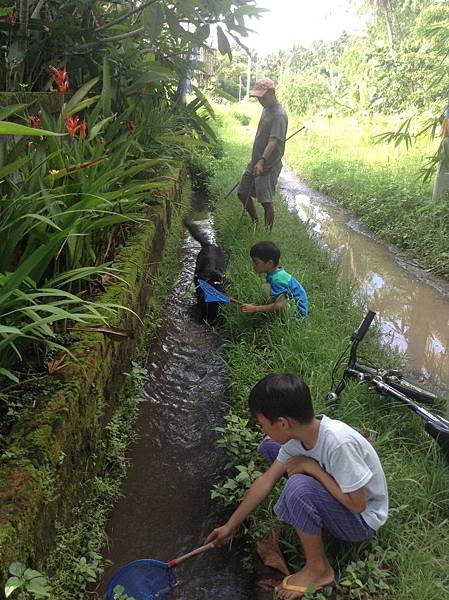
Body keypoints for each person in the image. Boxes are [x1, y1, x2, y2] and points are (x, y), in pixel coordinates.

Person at [205, 373, 388, 600]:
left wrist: (313, 470)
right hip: (343, 496)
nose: (263, 429)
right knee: (270, 447)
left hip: (361, 521)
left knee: (297, 487)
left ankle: (319, 570)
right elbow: (266, 481)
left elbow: (359, 504)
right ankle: (312, 511)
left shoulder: (338, 444)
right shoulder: (299, 435)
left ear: (282, 423)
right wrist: (230, 526)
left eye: (263, 424)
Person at [237, 77, 288, 229]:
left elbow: (273, 141)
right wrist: (256, 160)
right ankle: (255, 222)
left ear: (272, 93)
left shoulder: (279, 115)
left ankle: (267, 232)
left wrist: (262, 161)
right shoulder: (266, 109)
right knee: (242, 192)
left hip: (268, 165)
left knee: (266, 201)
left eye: (262, 97)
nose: (260, 100)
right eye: (258, 97)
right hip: (256, 161)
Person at [240, 241, 308, 317]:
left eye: (256, 263)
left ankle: (276, 317)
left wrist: (255, 308)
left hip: (296, 315)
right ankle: (268, 310)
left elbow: (279, 306)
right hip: (290, 306)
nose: (253, 266)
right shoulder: (276, 274)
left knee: (266, 288)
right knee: (266, 287)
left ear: (269, 263)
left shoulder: (278, 280)